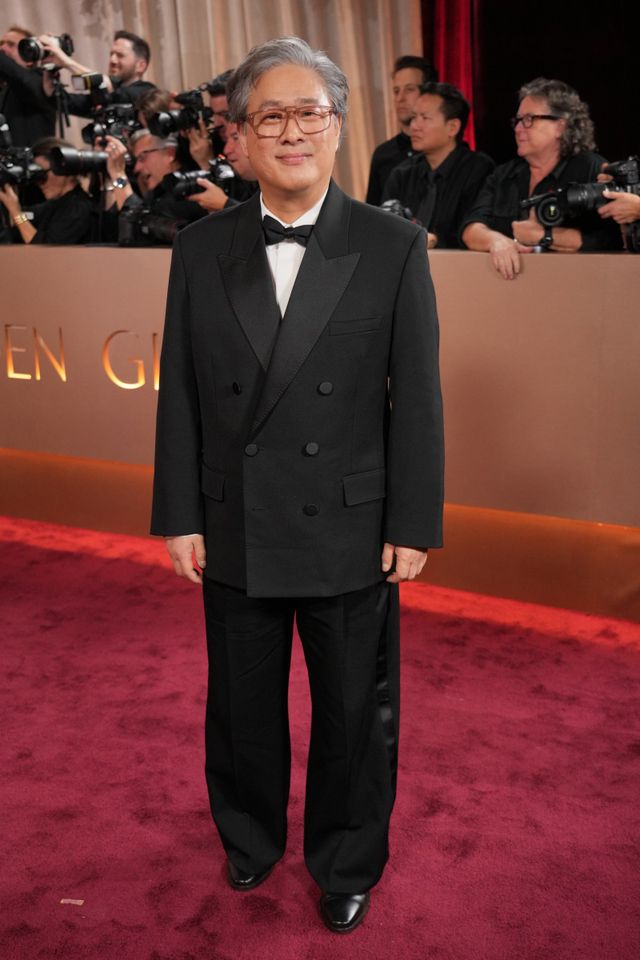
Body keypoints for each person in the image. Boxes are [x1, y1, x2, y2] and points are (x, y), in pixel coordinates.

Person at [151, 36, 444, 934]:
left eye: (308, 113)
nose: (291, 132)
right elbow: (181, 393)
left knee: (355, 713)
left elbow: (416, 395)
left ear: (338, 126)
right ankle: (248, 836)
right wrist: (179, 514)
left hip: (349, 525)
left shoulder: (393, 245)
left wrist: (413, 522)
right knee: (241, 704)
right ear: (237, 136)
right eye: (269, 115)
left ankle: (347, 859)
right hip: (235, 518)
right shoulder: (200, 247)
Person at [461, 77, 622, 280]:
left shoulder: (592, 170)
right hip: (506, 288)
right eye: (518, 120)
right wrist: (495, 240)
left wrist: (544, 236)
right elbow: (470, 228)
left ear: (560, 127)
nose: (518, 129)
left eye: (529, 119)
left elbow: (611, 239)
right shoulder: (503, 174)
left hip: (575, 285)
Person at [382, 81, 494, 248]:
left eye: (425, 118)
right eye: (414, 117)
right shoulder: (402, 174)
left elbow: (473, 228)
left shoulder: (479, 169)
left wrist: (434, 240)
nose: (414, 126)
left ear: (452, 127)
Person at [102, 129, 206, 235]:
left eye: (142, 157)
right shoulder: (156, 194)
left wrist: (118, 174)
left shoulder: (191, 191)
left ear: (170, 153)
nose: (137, 168)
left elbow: (140, 222)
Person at [365, 54, 438, 206]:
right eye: (396, 91)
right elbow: (372, 213)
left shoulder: (441, 150)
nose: (400, 98)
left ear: (429, 94)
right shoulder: (383, 154)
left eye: (409, 89)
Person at [39, 30, 156, 116]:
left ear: (141, 65)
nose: (112, 60)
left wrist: (64, 60)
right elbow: (60, 101)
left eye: (120, 55)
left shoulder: (148, 93)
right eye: (111, 54)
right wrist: (49, 64)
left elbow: (108, 86)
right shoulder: (103, 97)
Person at [0, 135, 92, 243]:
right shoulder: (55, 204)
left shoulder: (77, 209)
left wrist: (16, 212)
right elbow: (26, 215)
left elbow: (44, 249)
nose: (39, 183)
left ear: (63, 167)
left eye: (42, 175)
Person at [0, 24, 55, 146]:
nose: (2, 48)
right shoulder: (4, 88)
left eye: (11, 45)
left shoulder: (43, 80)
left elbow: (20, 78)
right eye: (1, 44)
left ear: (30, 56)